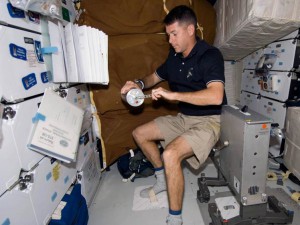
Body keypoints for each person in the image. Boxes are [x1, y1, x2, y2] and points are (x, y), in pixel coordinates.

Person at [121, 5, 226, 225]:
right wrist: (137, 85)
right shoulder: (174, 57)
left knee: (170, 154)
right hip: (184, 118)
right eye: (168, 35)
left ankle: (175, 219)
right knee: (139, 133)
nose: (170, 40)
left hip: (209, 121)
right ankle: (161, 180)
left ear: (190, 30)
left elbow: (216, 96)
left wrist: (173, 95)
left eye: (174, 34)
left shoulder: (210, 55)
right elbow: (153, 77)